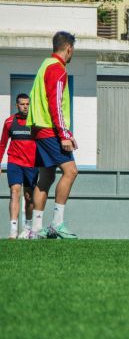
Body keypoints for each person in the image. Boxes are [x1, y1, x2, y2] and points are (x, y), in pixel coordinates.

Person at [26, 31, 79, 239]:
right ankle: (57, 224)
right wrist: (64, 134)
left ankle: (36, 230)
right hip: (50, 131)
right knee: (71, 171)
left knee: (46, 176)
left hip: (39, 130)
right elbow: (55, 103)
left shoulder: (44, 66)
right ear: (69, 48)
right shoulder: (57, 69)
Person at [0, 94, 38, 239]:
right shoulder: (9, 122)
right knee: (15, 192)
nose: (25, 107)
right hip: (14, 162)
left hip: (32, 164)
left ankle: (27, 229)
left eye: (27, 104)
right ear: (17, 105)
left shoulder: (35, 122)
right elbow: (2, 143)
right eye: (22, 104)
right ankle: (13, 230)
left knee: (29, 197)